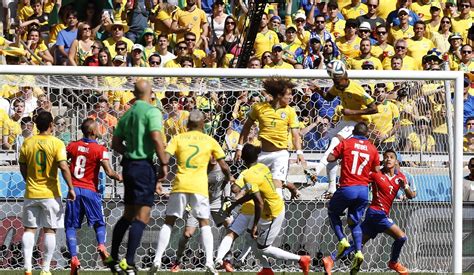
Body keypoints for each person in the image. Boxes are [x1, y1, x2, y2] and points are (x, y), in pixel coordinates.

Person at [149, 109, 234, 275]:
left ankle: (157, 259)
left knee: (169, 222)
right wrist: (230, 178)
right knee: (204, 222)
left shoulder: (178, 138)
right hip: (199, 186)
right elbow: (223, 165)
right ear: (203, 124)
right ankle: (209, 262)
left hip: (180, 184)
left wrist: (159, 179)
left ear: (187, 124)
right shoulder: (209, 140)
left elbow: (165, 159)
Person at [106, 79, 168, 275]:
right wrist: (164, 163)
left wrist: (129, 152)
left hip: (128, 166)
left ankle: (113, 257)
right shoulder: (152, 111)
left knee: (128, 214)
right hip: (143, 166)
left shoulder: (128, 114)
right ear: (150, 93)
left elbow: (115, 142)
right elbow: (156, 137)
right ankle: (129, 262)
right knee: (142, 216)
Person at [324, 149, 416, 275]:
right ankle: (393, 263)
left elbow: (411, 196)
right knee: (401, 237)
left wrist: (405, 186)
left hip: (377, 215)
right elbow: (359, 181)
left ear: (396, 161)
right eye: (385, 157)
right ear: (382, 160)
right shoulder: (376, 174)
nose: (388, 159)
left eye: (391, 157)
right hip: (376, 213)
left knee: (358, 242)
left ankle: (331, 259)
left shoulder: (401, 177)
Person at [225, 144, 311, 275]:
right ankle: (266, 269)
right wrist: (235, 204)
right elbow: (253, 194)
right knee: (253, 239)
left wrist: (254, 225)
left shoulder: (249, 175)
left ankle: (301, 259)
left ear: (243, 159)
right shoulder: (262, 168)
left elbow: (258, 203)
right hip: (271, 207)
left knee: (263, 248)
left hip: (271, 212)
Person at [19, 111, 76, 275]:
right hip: (51, 194)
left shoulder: (27, 142)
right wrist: (71, 188)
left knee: (29, 229)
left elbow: (22, 165)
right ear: (51, 125)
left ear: (36, 125)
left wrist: (28, 180)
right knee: (50, 230)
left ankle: (28, 268)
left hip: (31, 192)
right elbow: (64, 167)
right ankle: (45, 269)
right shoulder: (57, 143)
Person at [65, 118, 123, 274]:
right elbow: (110, 173)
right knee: (99, 223)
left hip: (74, 190)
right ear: (92, 131)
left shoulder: (72, 146)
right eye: (97, 127)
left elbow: (63, 163)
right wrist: (122, 177)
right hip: (91, 191)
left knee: (70, 226)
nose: (99, 129)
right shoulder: (100, 149)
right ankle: (102, 245)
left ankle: (74, 258)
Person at [308, 68, 378, 197]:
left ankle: (316, 171)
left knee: (335, 141)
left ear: (345, 78)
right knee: (333, 151)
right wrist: (318, 90)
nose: (337, 84)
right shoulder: (337, 86)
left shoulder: (357, 89)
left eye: (338, 81)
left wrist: (353, 112)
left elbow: (374, 108)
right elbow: (328, 98)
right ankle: (331, 188)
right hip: (346, 121)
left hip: (359, 122)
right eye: (334, 81)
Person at [324, 122, 380, 274]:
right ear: (367, 134)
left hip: (348, 187)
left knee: (333, 212)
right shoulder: (372, 148)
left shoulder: (346, 143)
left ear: (353, 132)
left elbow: (330, 158)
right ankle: (359, 252)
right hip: (363, 190)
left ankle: (342, 240)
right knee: (354, 222)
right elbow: (376, 172)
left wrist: (341, 156)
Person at [235, 78, 304, 200]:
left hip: (281, 154)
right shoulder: (259, 108)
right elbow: (246, 128)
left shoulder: (290, 111)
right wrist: (239, 148)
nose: (291, 97)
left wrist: (299, 152)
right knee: (255, 188)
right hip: (262, 154)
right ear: (278, 95)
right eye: (289, 94)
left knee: (277, 189)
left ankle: (278, 216)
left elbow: (296, 135)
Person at [171, 157, 233, 272]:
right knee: (187, 234)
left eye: (215, 154)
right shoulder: (198, 169)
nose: (213, 157)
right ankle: (178, 261)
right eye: (210, 154)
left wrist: (227, 197)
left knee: (231, 227)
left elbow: (228, 180)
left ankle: (226, 259)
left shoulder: (222, 168)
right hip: (197, 202)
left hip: (216, 202)